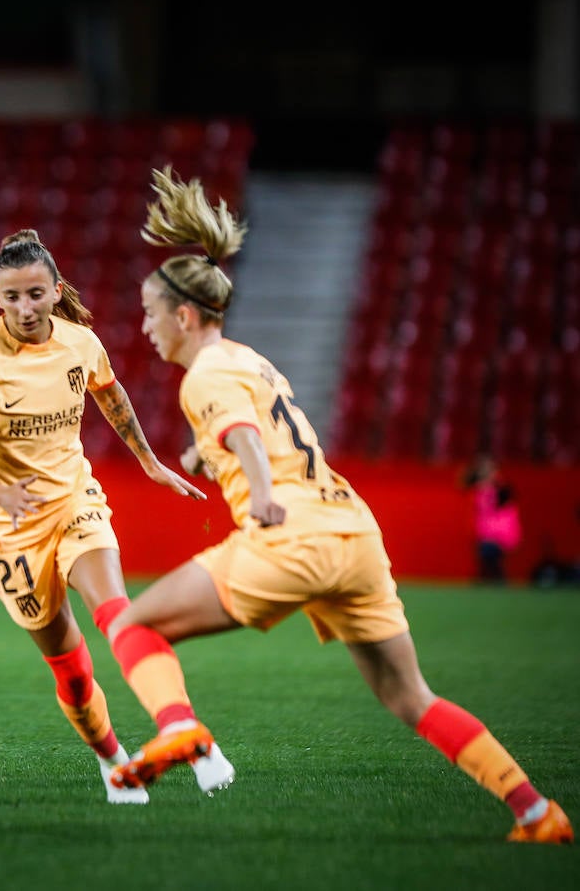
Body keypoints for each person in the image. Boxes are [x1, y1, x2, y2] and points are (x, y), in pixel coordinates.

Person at [106, 164, 572, 844]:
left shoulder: (204, 375)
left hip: (290, 533)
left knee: (133, 628)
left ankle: (179, 728)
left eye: (150, 314)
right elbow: (259, 427)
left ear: (183, 315)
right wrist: (206, 456)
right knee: (411, 697)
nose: (145, 328)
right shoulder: (249, 361)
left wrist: (259, 494)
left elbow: (243, 435)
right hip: (354, 533)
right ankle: (536, 811)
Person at [0, 228, 223, 805]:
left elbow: (111, 397)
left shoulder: (80, 344)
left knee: (119, 613)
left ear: (56, 290)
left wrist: (150, 462)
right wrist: (0, 493)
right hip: (9, 529)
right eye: (11, 297)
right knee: (71, 669)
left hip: (72, 500)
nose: (25, 308)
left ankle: (185, 730)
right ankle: (114, 762)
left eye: (36, 294)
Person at [462, 455, 522, 585]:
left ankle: (494, 582)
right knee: (489, 561)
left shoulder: (500, 489)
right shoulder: (480, 488)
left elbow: (504, 506)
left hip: (497, 533)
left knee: (491, 560)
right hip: (486, 533)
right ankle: (489, 581)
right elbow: (462, 481)